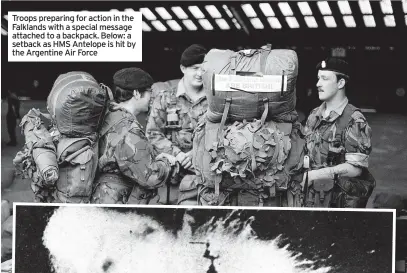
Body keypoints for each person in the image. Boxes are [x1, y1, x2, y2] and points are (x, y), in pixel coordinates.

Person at [91, 68, 177, 204]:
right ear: (137, 93)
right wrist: (167, 162)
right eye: (150, 92)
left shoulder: (110, 115)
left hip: (101, 197)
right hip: (116, 204)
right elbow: (150, 177)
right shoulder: (129, 129)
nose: (152, 97)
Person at [301, 57, 375, 208]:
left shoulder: (354, 119)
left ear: (341, 83)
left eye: (325, 79)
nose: (318, 84)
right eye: (318, 78)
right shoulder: (314, 115)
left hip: (337, 204)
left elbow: (355, 168)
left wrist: (315, 175)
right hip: (309, 199)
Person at [146, 44, 208, 205]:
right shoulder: (165, 97)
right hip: (173, 178)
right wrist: (178, 155)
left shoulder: (214, 99)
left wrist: (197, 153)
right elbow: (153, 134)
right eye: (195, 68)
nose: (200, 74)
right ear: (183, 68)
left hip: (204, 176)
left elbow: (224, 133)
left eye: (203, 69)